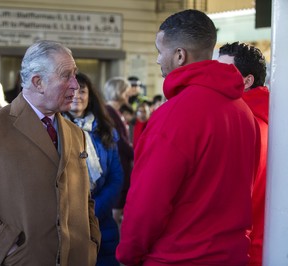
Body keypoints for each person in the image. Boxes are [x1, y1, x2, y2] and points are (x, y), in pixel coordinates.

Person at [116, 9, 260, 265]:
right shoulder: (243, 111)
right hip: (232, 255)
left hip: (176, 257)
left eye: (160, 51)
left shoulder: (173, 115)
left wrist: (128, 253)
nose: (158, 60)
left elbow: (148, 201)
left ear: (180, 55)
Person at [0, 40, 101, 266]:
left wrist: (91, 240)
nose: (75, 85)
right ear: (38, 82)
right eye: (66, 76)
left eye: (75, 75)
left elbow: (85, 197)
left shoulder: (76, 133)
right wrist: (6, 248)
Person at [63, 72, 123, 266]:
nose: (77, 95)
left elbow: (116, 177)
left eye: (82, 91)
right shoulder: (52, 130)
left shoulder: (106, 130)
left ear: (90, 97)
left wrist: (92, 210)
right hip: (65, 221)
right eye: (71, 90)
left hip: (101, 219)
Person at [218, 41, 269, 266]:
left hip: (238, 249)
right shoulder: (269, 117)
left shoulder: (244, 123)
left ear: (247, 81)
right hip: (262, 244)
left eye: (224, 71)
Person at [103, 77, 134, 227]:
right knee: (115, 212)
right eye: (126, 89)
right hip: (118, 165)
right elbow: (120, 143)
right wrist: (136, 152)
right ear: (119, 91)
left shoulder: (114, 111)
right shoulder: (109, 112)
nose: (129, 93)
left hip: (122, 164)